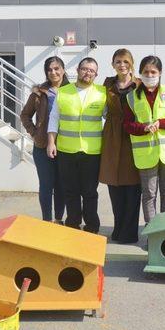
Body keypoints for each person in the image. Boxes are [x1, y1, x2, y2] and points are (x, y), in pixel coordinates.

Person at [47, 57, 107, 233]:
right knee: (70, 191)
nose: (87, 72)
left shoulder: (102, 93)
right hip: (66, 150)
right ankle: (73, 223)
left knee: (90, 192)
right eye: (84, 69)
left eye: (91, 70)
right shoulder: (63, 92)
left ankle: (91, 226)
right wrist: (51, 142)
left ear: (96, 74)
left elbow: (111, 119)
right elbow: (54, 118)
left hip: (92, 150)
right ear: (78, 70)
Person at [123, 55, 165, 223]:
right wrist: (143, 127)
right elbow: (127, 125)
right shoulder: (131, 97)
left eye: (153, 72)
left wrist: (162, 123)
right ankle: (153, 234)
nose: (149, 75)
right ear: (140, 73)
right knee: (149, 195)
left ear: (160, 73)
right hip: (146, 154)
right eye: (146, 72)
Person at [100, 49, 142, 243]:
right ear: (113, 63)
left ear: (131, 63)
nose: (122, 65)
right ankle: (118, 228)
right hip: (112, 135)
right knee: (114, 184)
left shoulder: (139, 84)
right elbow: (86, 92)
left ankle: (129, 232)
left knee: (133, 185)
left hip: (133, 135)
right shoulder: (107, 84)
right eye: (118, 61)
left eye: (125, 61)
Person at [20, 56, 68, 223]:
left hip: (66, 145)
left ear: (63, 69)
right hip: (42, 146)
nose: (53, 72)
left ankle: (59, 219)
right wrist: (34, 132)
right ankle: (47, 220)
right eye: (49, 69)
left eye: (56, 68)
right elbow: (25, 115)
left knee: (61, 186)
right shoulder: (39, 92)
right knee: (46, 186)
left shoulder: (72, 90)